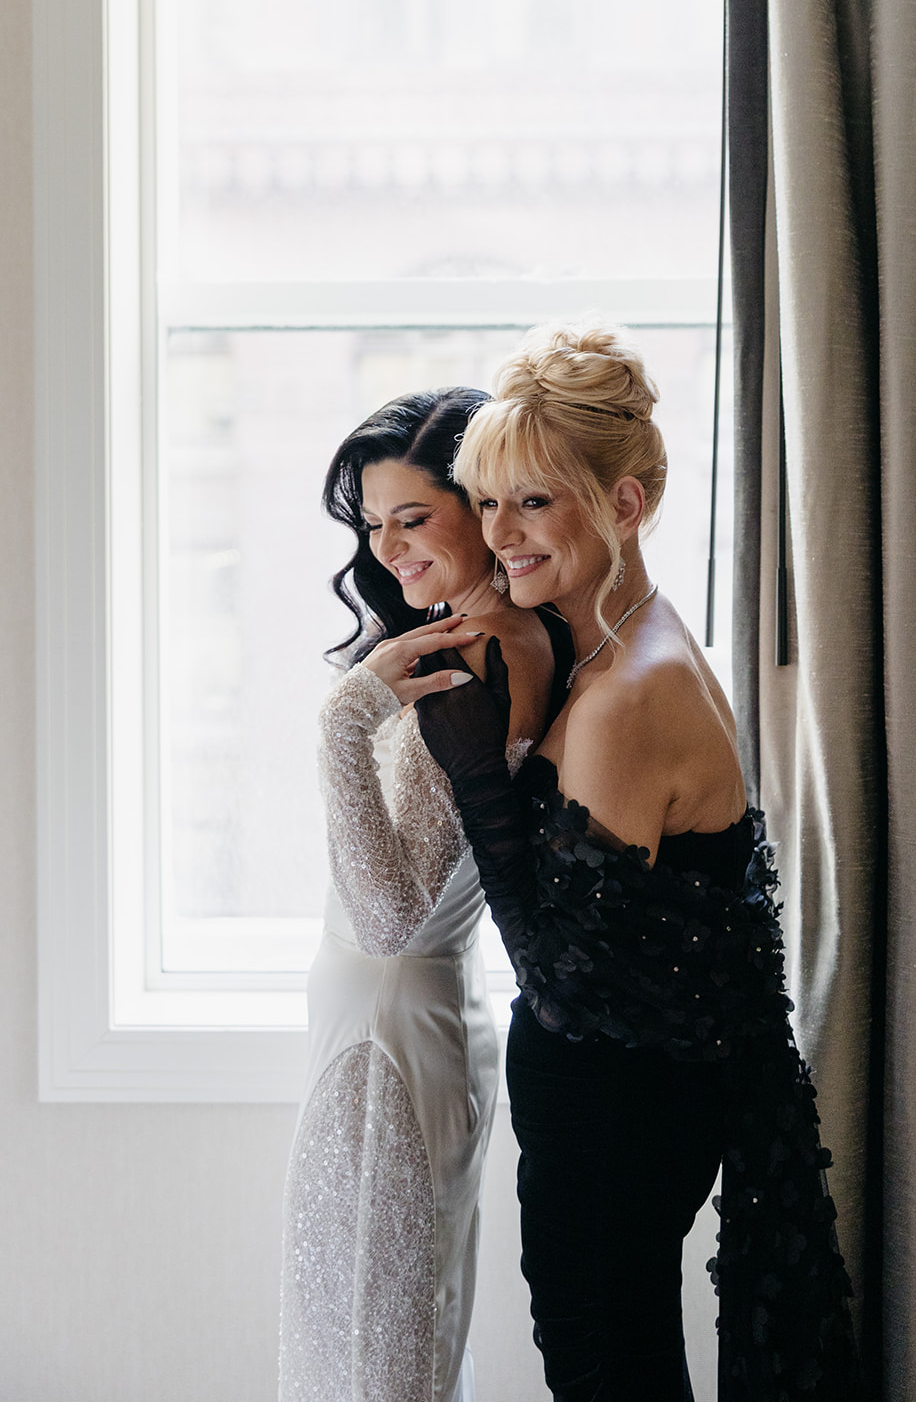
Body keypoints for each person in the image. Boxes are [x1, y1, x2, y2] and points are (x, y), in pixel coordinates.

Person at [415, 326, 860, 1402]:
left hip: (613, 1115)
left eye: (534, 501)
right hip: (629, 1099)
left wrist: (476, 772)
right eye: (486, 501)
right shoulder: (626, 642)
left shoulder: (626, 697)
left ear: (624, 502)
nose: (499, 535)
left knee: (607, 1370)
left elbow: (561, 972)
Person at [278, 387, 559, 1402]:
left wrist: (343, 724)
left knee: (377, 1342)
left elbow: (394, 913)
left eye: (412, 517)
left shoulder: (478, 656)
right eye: (372, 524)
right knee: (368, 1322)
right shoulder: (453, 639)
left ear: (479, 505)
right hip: (383, 1022)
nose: (388, 549)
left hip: (391, 1030)